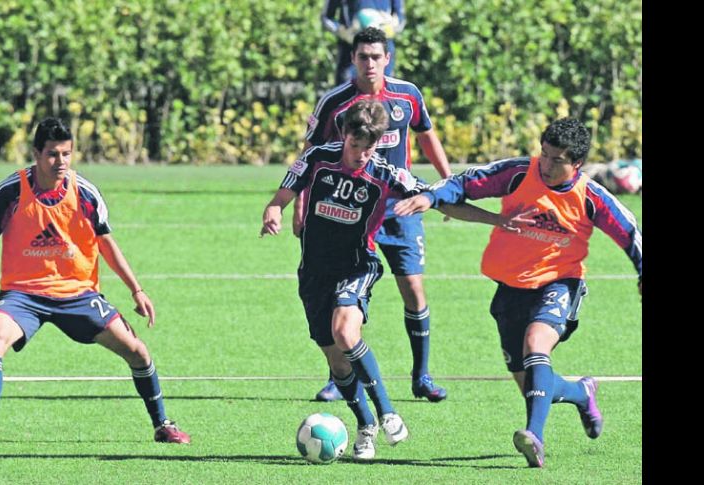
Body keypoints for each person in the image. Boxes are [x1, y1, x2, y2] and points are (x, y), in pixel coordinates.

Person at [394, 117, 643, 468]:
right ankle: (581, 392)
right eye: (544, 154)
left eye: (558, 160)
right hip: (510, 289)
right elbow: (467, 183)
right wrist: (432, 196)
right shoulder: (516, 173)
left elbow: (630, 232)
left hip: (560, 283)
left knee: (535, 344)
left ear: (577, 164)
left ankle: (534, 436)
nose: (546, 164)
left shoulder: (591, 197)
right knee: (532, 385)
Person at [0, 118, 190, 444]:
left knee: (138, 352)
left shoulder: (83, 191)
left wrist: (136, 289)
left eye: (67, 154)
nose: (61, 162)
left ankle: (162, 424)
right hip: (23, 295)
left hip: (78, 294)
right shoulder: (12, 190)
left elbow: (105, 243)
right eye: (53, 155)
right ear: (36, 154)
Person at [260, 99, 423, 460]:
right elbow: (284, 192)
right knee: (337, 361)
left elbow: (435, 193)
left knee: (346, 332)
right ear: (344, 135)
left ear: (378, 143)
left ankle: (387, 411)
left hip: (357, 266)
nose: (360, 154)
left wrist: (445, 203)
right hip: (314, 273)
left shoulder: (385, 173)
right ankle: (366, 425)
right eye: (354, 145)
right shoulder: (317, 157)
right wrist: (274, 209)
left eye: (368, 147)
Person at [297, 26, 452, 403]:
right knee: (335, 296)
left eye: (376, 56)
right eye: (362, 56)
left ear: (387, 58)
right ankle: (338, 378)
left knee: (413, 289)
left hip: (398, 208)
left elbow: (427, 135)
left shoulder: (408, 95)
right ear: (352, 59)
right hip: (347, 210)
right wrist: (299, 206)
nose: (370, 63)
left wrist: (448, 183)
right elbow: (310, 154)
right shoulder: (334, 102)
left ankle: (422, 376)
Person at [321, 1, 405, 85]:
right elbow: (326, 17)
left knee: (383, 94)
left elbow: (401, 18)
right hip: (350, 55)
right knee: (347, 94)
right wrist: (341, 31)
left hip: (382, 53)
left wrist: (391, 27)